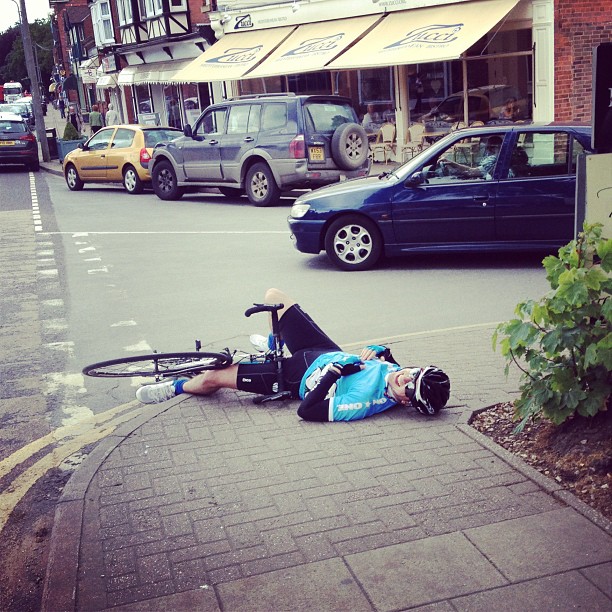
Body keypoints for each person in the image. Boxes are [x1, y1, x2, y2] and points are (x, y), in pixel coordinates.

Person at [136, 288, 451, 422]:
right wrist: (383, 351)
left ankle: (174, 387)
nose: (405, 375)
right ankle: (274, 343)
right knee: (275, 297)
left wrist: (335, 374)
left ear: (406, 401)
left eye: (409, 383)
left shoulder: (365, 403)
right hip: (323, 350)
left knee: (215, 378)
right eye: (415, 371)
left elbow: (308, 412)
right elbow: (390, 362)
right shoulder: (397, 375)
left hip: (291, 377)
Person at [437, 135, 504, 180]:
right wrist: (452, 164)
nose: (487, 150)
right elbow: (472, 171)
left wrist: (452, 164)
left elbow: (470, 172)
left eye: (489, 147)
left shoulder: (493, 160)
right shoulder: (501, 158)